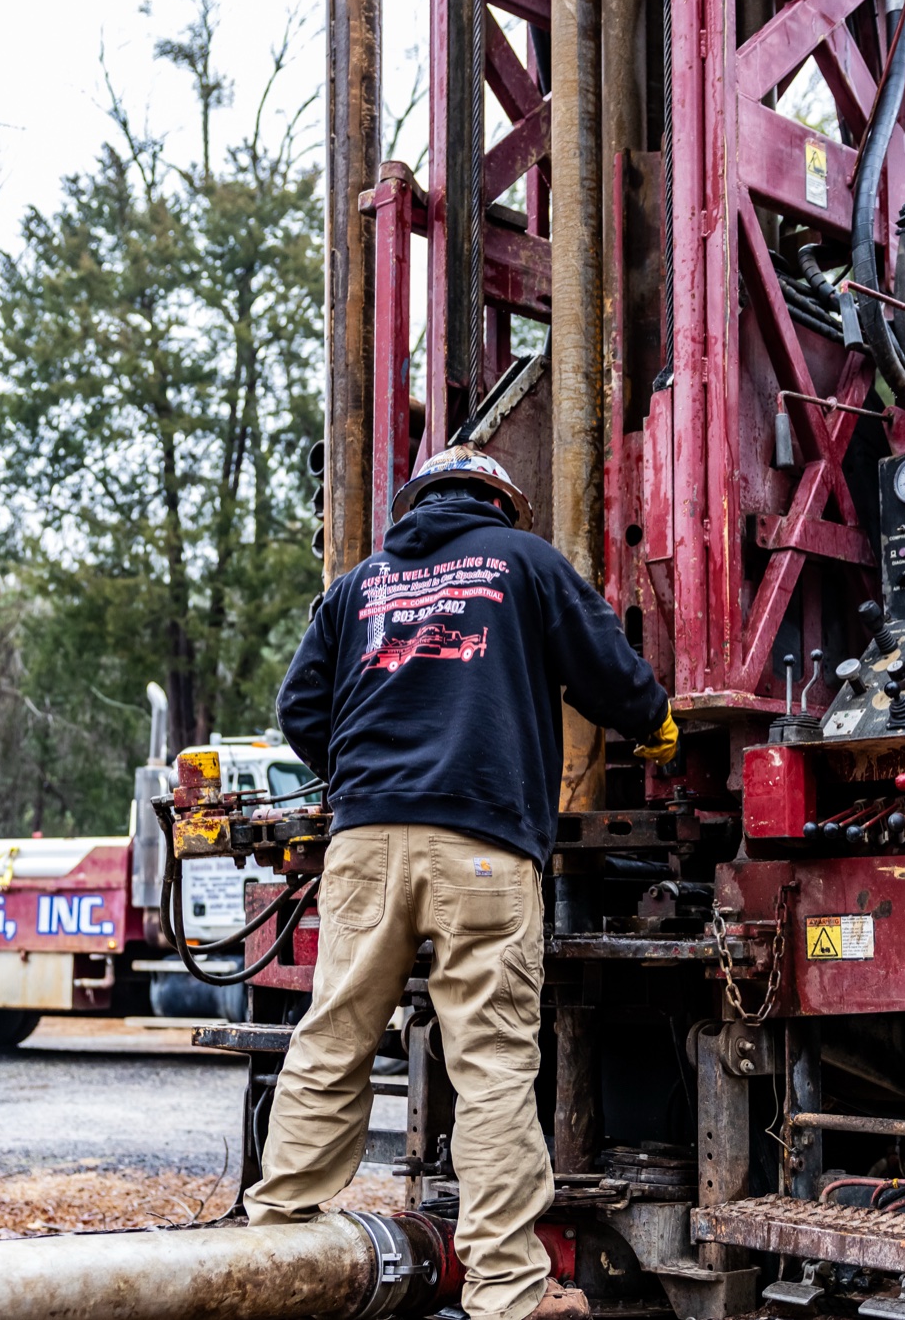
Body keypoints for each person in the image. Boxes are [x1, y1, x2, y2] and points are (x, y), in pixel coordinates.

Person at [247, 446, 678, 1320]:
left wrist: (366, 769)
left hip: (365, 841)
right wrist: (656, 722)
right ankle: (505, 1295)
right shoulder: (524, 563)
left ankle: (271, 1250)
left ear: (415, 504)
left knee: (332, 1037)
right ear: (499, 503)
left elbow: (299, 707)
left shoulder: (360, 585)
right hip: (482, 844)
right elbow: (605, 667)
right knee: (491, 1070)